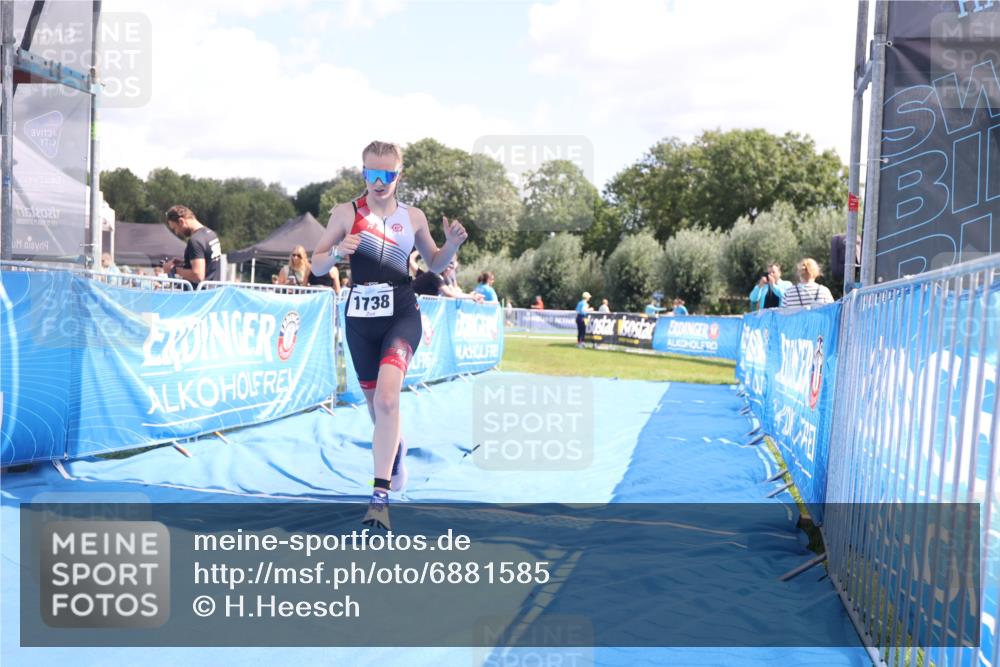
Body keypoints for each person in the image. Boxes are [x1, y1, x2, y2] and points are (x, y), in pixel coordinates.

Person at [311, 140, 469, 529]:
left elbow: (434, 264)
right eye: (371, 174)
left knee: (386, 400)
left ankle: (379, 497)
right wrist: (335, 254)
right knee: (375, 409)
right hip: (360, 319)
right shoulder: (345, 214)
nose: (379, 182)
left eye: (387, 175)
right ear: (362, 172)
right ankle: (395, 449)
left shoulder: (413, 217)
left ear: (400, 174)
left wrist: (450, 245)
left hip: (401, 312)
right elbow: (316, 266)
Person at [163, 205, 222, 288]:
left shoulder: (195, 241)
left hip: (198, 296)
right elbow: (208, 264)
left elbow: (198, 275)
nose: (177, 232)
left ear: (181, 221)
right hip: (212, 292)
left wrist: (174, 269)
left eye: (175, 228)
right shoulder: (211, 234)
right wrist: (184, 263)